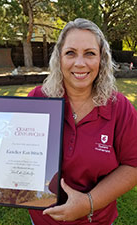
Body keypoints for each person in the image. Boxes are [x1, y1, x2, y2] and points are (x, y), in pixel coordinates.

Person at [28, 18, 137, 225]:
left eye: (90, 53)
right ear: (59, 58)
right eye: (70, 53)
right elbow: (14, 151)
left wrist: (88, 203)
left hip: (95, 220)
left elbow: (133, 165)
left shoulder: (119, 108)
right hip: (43, 220)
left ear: (101, 59)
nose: (80, 63)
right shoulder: (38, 99)